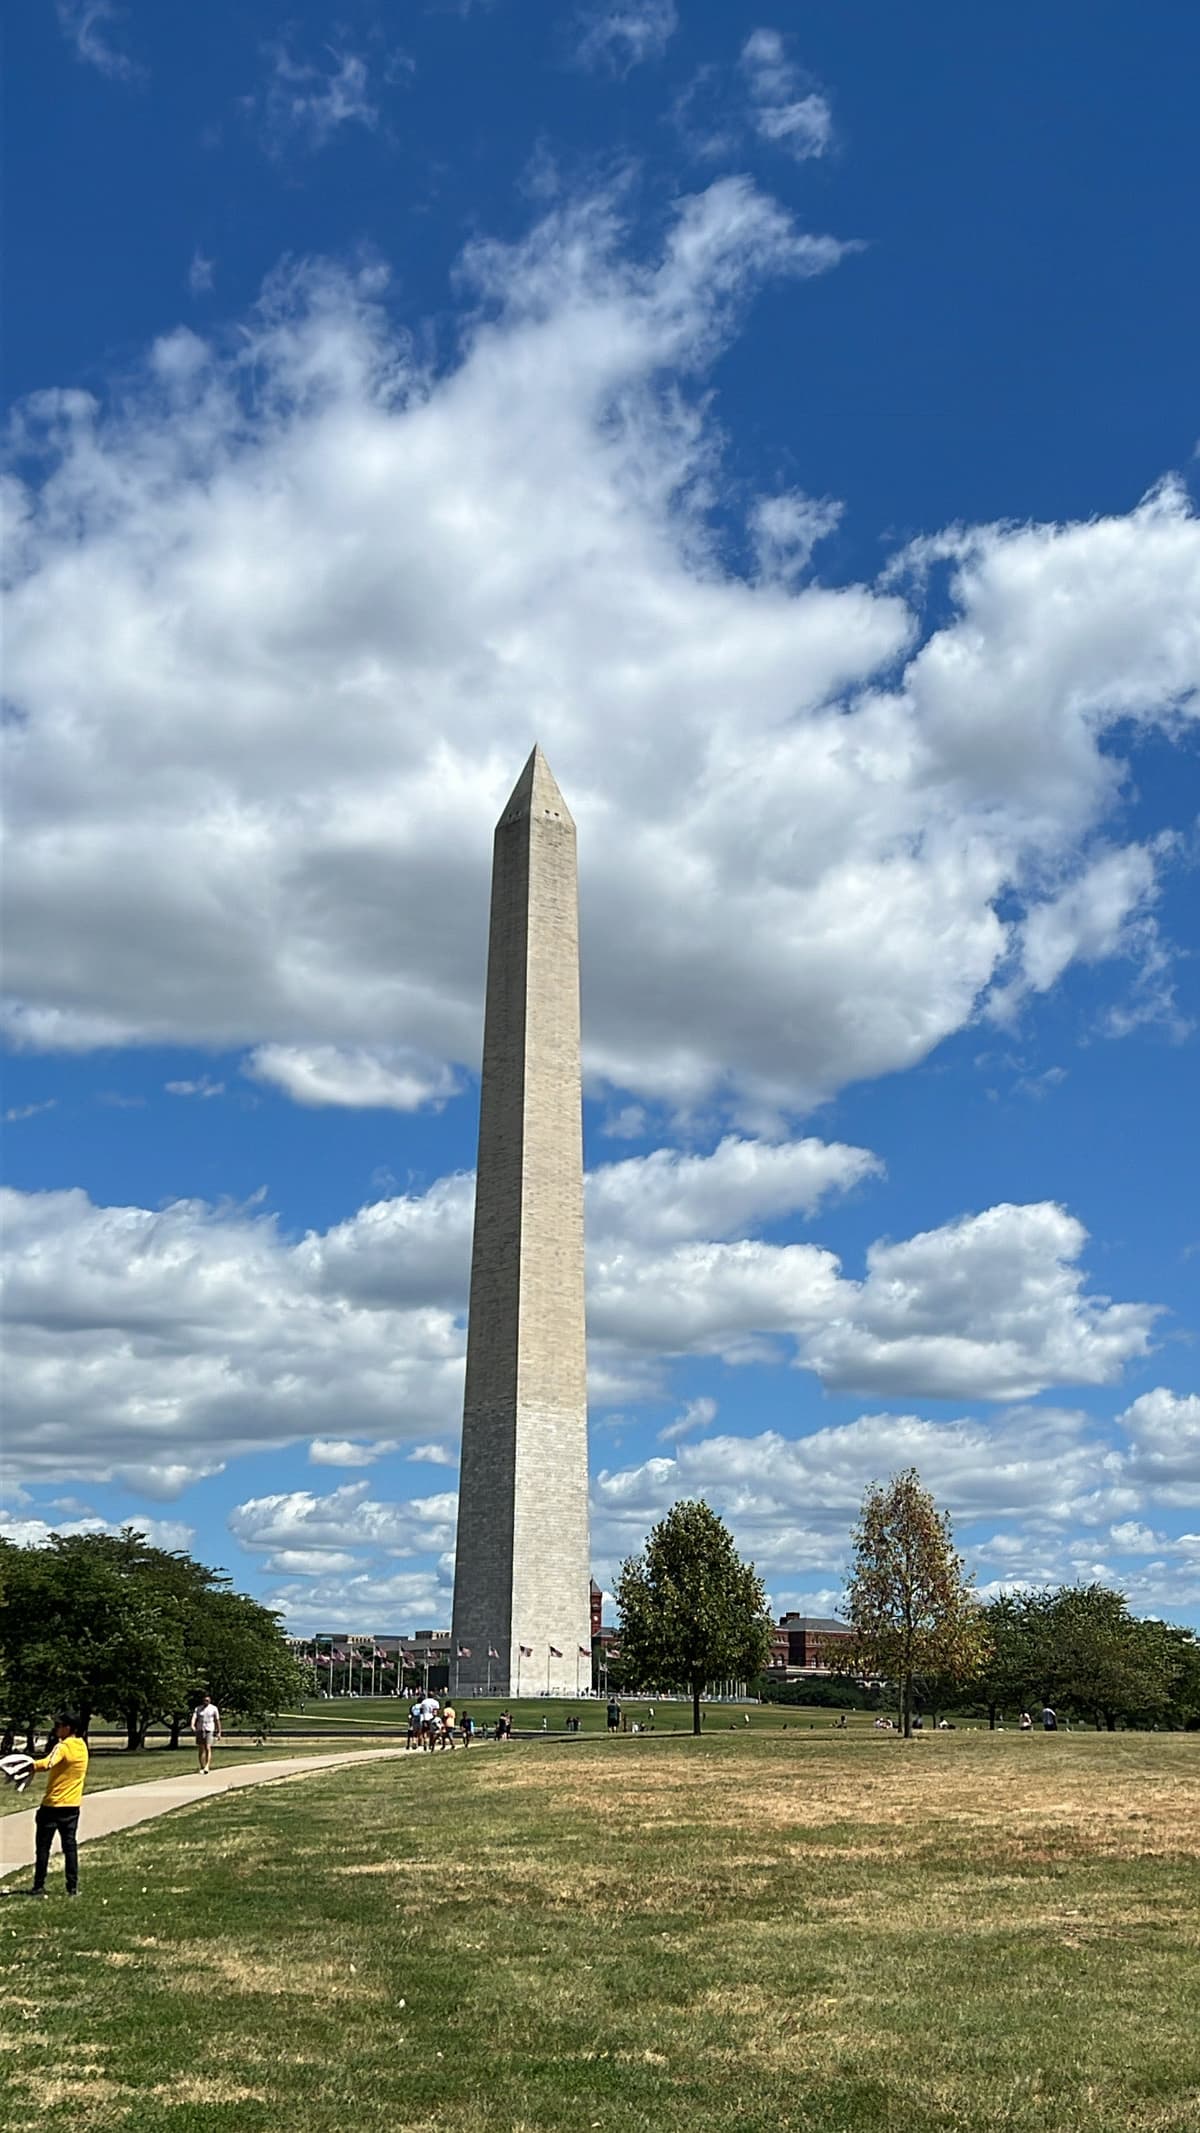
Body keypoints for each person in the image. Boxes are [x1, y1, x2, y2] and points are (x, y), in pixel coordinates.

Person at [14, 1713, 88, 1900]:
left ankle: (39, 1886)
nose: (56, 1729)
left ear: (69, 1728)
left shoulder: (62, 1746)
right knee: (70, 1847)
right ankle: (72, 1888)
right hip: (72, 1806)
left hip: (52, 1805)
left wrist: (28, 1766)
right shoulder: (82, 1747)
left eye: (59, 1725)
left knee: (43, 1847)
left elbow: (48, 1763)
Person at [190, 1692, 222, 1773]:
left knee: (208, 1747)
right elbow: (194, 1717)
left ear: (210, 1700)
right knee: (201, 1748)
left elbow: (217, 1720)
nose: (206, 1702)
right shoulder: (198, 1708)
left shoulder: (214, 1709)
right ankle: (202, 1766)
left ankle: (207, 1766)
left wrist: (219, 1732)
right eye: (205, 1700)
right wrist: (192, 1725)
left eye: (207, 1700)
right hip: (200, 1729)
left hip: (209, 1729)